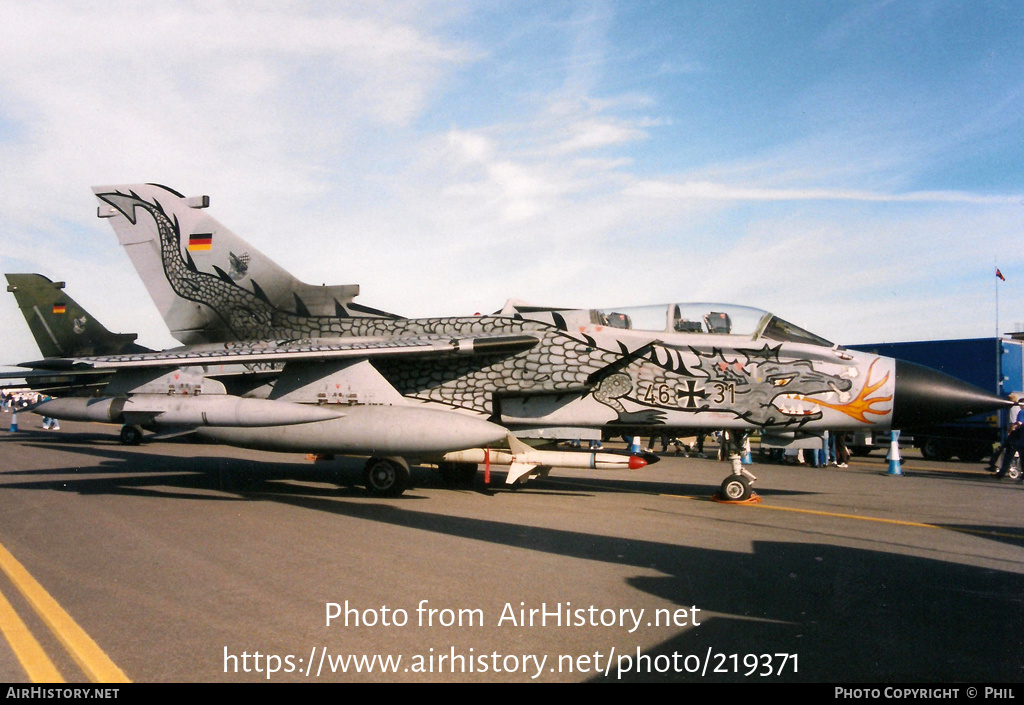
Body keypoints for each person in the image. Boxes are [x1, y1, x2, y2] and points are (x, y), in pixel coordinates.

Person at [988, 395, 1024, 473]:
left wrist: (1009, 432)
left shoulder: (1015, 410)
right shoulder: (1016, 409)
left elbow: (1015, 423)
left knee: (1008, 453)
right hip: (1018, 435)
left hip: (1015, 435)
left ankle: (999, 469)